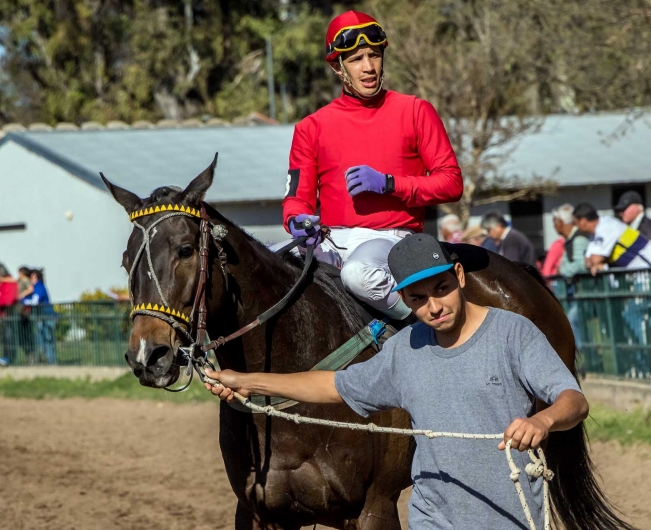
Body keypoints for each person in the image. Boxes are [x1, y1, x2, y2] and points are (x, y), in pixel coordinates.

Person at [204, 233, 588, 529]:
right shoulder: (405, 350)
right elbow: (331, 386)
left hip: (511, 515)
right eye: (418, 298)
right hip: (433, 519)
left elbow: (574, 400)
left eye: (441, 290)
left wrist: (543, 420)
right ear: (403, 297)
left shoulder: (512, 332)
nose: (434, 307)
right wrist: (250, 381)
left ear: (458, 276)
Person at [281, 10, 463, 320]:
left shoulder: (415, 111)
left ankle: (424, 331)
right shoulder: (310, 127)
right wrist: (296, 220)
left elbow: (451, 182)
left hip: (390, 241)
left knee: (358, 274)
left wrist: (392, 184)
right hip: (328, 241)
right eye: (356, 59)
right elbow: (298, 198)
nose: (368, 67)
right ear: (338, 68)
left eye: (374, 55)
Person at [574, 203, 651, 379]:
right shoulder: (595, 233)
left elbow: (596, 259)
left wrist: (599, 262)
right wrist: (596, 262)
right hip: (642, 277)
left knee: (636, 316)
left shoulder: (607, 227)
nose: (576, 228)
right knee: (649, 321)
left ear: (583, 221)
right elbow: (588, 263)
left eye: (576, 223)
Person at [552, 204, 590, 350]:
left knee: (572, 320)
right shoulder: (570, 240)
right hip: (575, 290)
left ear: (561, 222)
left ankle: (582, 357)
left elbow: (581, 265)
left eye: (555, 221)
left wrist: (563, 271)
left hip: (583, 290)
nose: (554, 225)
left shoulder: (578, 239)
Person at [22, 268, 58, 365]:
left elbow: (35, 301)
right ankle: (48, 362)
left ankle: (52, 363)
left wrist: (23, 301)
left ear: (34, 277)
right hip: (40, 318)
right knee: (41, 342)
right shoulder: (34, 288)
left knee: (47, 341)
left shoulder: (39, 287)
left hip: (47, 317)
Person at [0, 264, 19, 366]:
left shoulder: (9, 282)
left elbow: (9, 299)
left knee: (11, 337)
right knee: (6, 337)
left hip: (11, 314)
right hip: (3, 315)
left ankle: (9, 358)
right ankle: (6, 358)